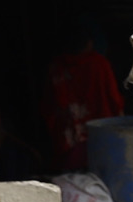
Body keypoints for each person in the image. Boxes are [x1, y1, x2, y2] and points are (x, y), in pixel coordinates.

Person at [42, 29, 124, 173]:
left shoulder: (56, 67)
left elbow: (49, 105)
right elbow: (114, 99)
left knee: (73, 177)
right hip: (101, 134)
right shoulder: (99, 64)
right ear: (88, 43)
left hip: (69, 136)